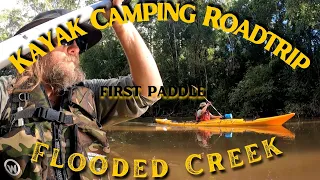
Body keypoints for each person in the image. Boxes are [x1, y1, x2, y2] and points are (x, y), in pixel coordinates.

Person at [0, 0, 163, 179]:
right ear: (35, 48)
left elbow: (150, 90)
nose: (76, 49)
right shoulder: (5, 93)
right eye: (66, 40)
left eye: (79, 43)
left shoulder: (89, 94)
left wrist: (122, 26)